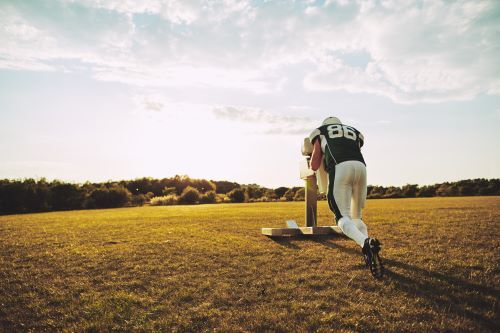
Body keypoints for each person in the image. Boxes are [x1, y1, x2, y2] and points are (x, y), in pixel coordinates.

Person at [309, 116, 384, 278]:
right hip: (361, 168)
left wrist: (316, 159)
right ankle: (368, 248)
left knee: (342, 216)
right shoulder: (353, 132)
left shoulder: (321, 131)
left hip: (340, 167)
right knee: (357, 216)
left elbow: (315, 164)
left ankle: (365, 244)